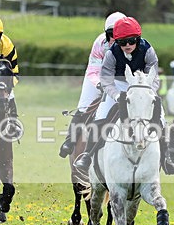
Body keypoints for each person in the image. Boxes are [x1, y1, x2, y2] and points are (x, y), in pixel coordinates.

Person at [73, 16, 163, 172]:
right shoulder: (111, 54)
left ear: (138, 39)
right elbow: (106, 79)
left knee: (161, 117)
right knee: (100, 117)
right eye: (122, 42)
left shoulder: (148, 50)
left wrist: (149, 92)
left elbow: (154, 76)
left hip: (142, 84)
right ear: (117, 41)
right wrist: (115, 95)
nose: (127, 45)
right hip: (118, 84)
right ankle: (87, 155)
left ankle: (168, 156)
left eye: (131, 40)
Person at [58, 11, 126, 158]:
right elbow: (94, 71)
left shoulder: (130, 44)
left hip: (120, 81)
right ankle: (70, 141)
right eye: (111, 34)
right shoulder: (100, 43)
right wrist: (100, 85)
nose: (115, 38)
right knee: (84, 106)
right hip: (98, 77)